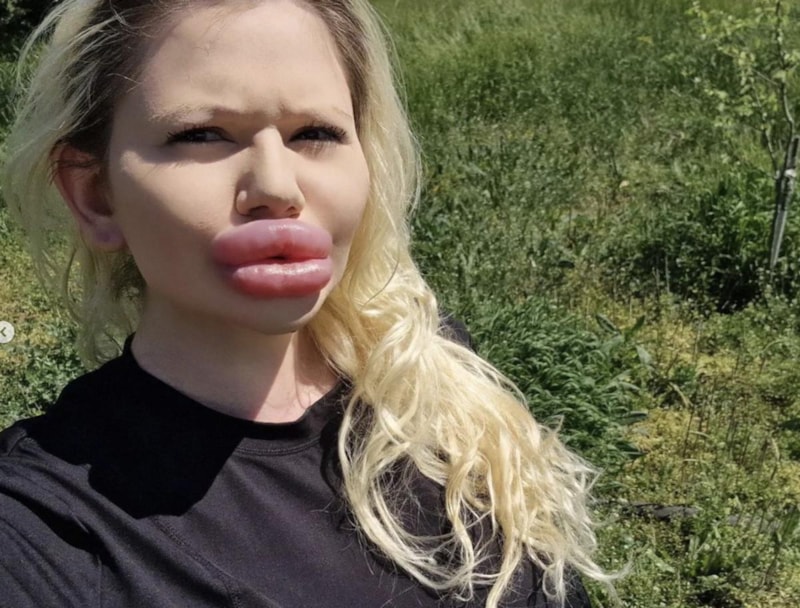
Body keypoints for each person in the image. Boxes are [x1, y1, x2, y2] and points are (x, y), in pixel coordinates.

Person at [0, 1, 611, 606]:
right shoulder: (41, 528)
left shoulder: (423, 366)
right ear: (95, 195)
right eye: (202, 135)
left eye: (316, 133)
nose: (276, 186)